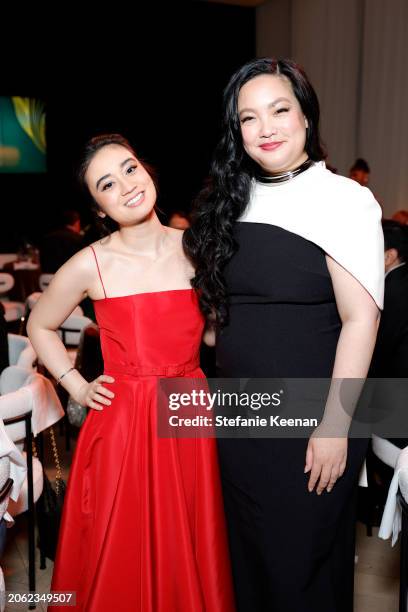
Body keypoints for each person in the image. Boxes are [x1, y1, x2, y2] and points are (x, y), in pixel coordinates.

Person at [183, 58, 384, 612]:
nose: (265, 127)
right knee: (248, 568)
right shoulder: (233, 197)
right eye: (249, 118)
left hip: (312, 419)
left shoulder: (344, 199)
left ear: (305, 115)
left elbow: (361, 320)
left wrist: (334, 428)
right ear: (236, 130)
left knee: (298, 573)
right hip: (239, 414)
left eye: (279, 109)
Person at [27, 134, 235, 612]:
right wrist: (76, 384)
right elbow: (40, 323)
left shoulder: (195, 248)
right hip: (124, 422)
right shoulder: (90, 263)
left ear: (146, 170)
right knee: (121, 545)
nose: (126, 185)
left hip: (187, 409)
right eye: (107, 183)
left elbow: (209, 336)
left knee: (187, 535)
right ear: (98, 207)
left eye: (129, 168)